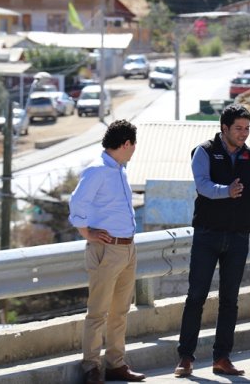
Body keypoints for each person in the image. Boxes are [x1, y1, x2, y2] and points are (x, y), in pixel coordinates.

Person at [174, 104, 250, 378]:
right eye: (239, 128)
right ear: (224, 128)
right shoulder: (204, 151)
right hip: (207, 235)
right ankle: (185, 358)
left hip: (238, 237)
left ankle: (222, 358)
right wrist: (227, 191)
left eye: (247, 128)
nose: (244, 133)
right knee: (196, 297)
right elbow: (202, 185)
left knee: (230, 300)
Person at [68, 119, 146, 384]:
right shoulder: (97, 170)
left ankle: (116, 364)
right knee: (98, 311)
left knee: (120, 311)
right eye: (133, 145)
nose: (134, 150)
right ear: (126, 144)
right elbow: (78, 202)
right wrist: (86, 232)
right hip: (106, 250)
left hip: (126, 249)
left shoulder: (119, 170)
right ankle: (91, 367)